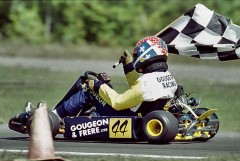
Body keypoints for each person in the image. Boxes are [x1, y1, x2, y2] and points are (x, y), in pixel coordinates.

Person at [26, 36, 178, 120]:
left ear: (146, 56)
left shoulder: (146, 83)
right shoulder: (165, 77)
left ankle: (52, 118)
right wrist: (128, 66)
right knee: (96, 84)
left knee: (87, 89)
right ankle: (61, 114)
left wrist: (98, 86)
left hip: (131, 119)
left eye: (138, 55)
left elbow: (118, 103)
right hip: (143, 115)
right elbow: (138, 90)